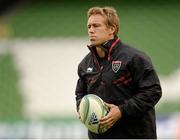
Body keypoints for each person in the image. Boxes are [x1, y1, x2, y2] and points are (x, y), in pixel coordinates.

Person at [75, 6, 162, 139]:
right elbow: (80, 93)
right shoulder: (84, 64)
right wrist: (82, 109)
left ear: (112, 29)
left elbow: (153, 91)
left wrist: (121, 111)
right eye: (89, 26)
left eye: (96, 25)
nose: (91, 30)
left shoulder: (134, 58)